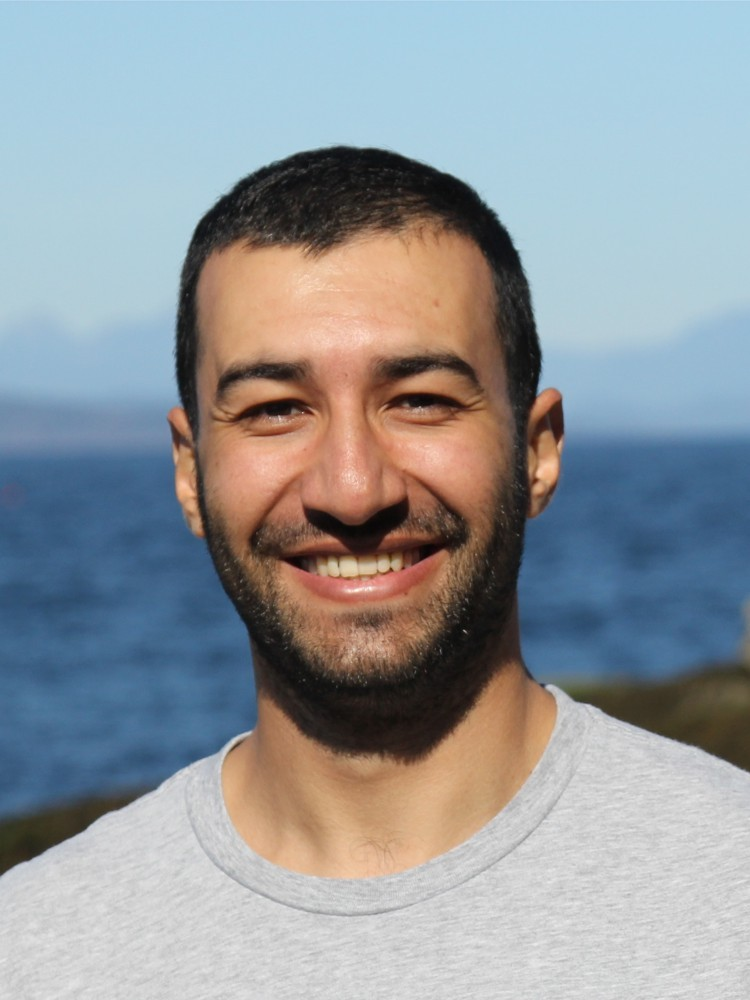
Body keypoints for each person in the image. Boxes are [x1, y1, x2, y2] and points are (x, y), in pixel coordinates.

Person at [1, 146, 748, 998]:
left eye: (420, 400)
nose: (353, 490)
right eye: (275, 410)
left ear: (537, 452)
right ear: (189, 472)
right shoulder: (34, 954)